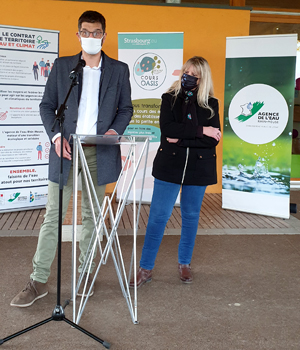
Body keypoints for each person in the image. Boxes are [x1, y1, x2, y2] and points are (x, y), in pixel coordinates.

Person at [11, 10, 133, 307]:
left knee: (92, 215)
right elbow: (47, 106)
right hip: (65, 150)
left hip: (98, 152)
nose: (91, 37)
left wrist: (115, 130)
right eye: (86, 32)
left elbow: (125, 108)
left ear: (105, 34)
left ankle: (86, 273)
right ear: (78, 35)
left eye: (97, 32)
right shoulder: (64, 66)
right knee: (53, 214)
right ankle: (38, 281)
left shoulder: (119, 70)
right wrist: (55, 137)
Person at [130, 56, 221, 288]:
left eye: (194, 74)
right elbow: (167, 130)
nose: (187, 77)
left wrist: (182, 137)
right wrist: (202, 131)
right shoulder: (169, 99)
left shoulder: (211, 103)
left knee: (190, 217)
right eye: (186, 72)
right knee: (158, 217)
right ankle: (145, 268)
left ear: (202, 78)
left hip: (198, 168)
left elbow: (213, 141)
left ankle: (184, 264)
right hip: (169, 166)